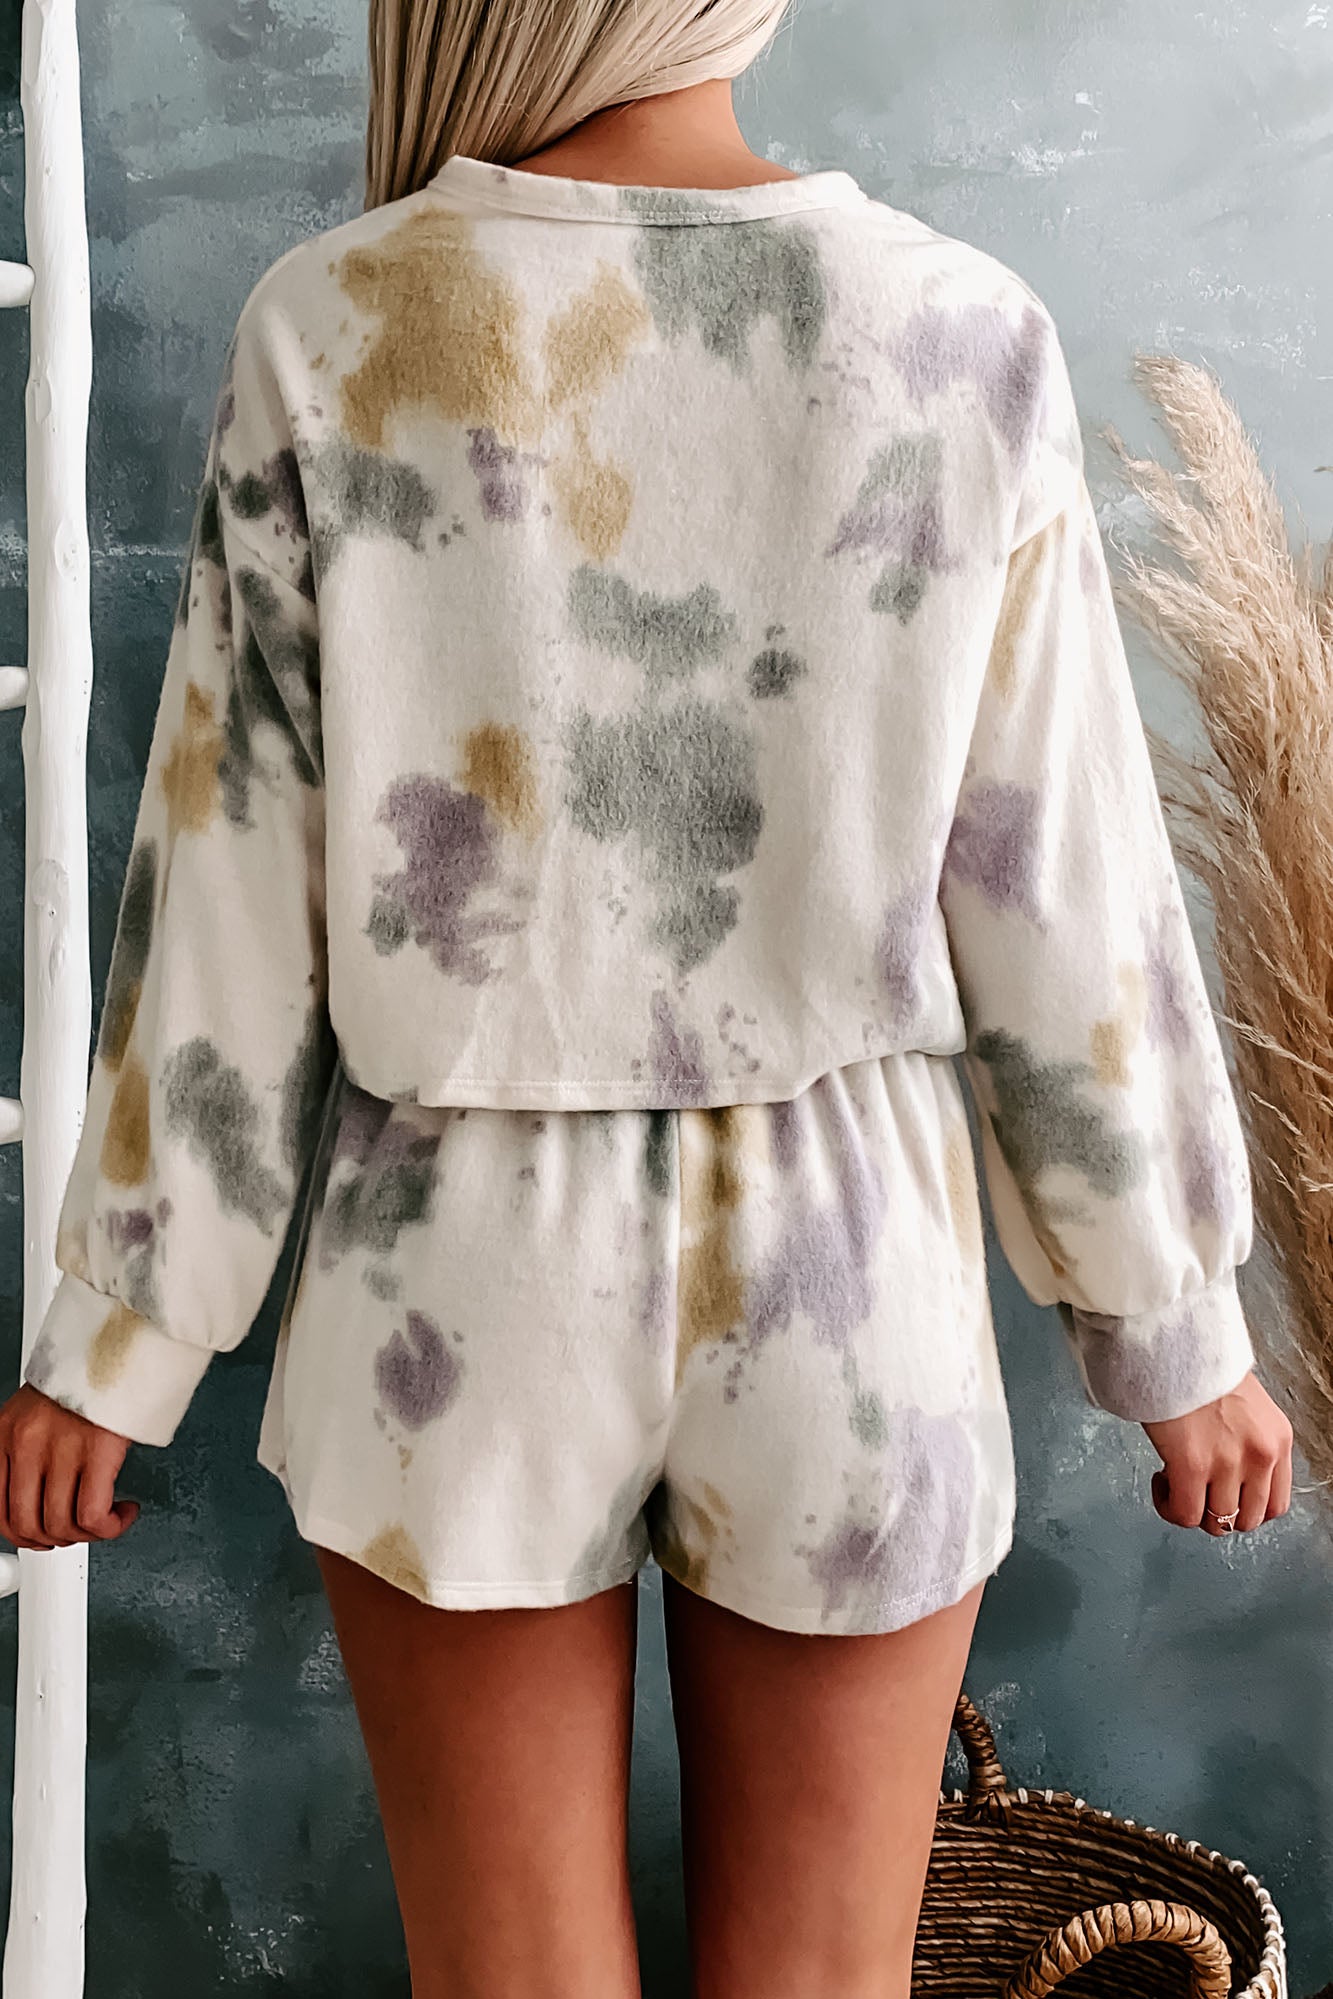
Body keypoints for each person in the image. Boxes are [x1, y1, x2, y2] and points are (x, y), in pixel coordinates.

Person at [0, 2, 1295, 1993]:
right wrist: (1168, 1324)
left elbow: (232, 870)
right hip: (851, 1273)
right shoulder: (959, 330)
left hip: (452, 1274)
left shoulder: (334, 323)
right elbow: (1059, 883)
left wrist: (124, 1336)